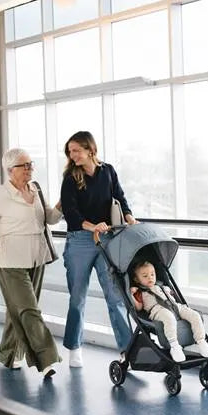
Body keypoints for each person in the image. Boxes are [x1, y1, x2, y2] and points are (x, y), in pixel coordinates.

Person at [0, 148, 62, 380]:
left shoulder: (36, 189)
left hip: (36, 257)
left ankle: (9, 353)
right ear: (10, 170)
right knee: (29, 310)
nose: (30, 168)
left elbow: (50, 218)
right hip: (10, 259)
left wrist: (63, 203)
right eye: (24, 165)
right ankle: (46, 359)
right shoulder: (0, 195)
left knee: (17, 308)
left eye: (31, 164)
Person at [60, 130, 136, 368]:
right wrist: (93, 226)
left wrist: (130, 217)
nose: (73, 155)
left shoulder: (108, 171)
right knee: (77, 298)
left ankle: (127, 350)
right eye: (70, 152)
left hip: (107, 240)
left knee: (116, 297)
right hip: (80, 241)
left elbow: (120, 197)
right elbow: (71, 213)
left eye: (76, 150)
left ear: (90, 149)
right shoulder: (70, 178)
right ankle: (74, 347)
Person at [130, 260, 208, 362]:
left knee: (195, 315)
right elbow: (138, 308)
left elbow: (172, 297)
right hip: (157, 310)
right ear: (137, 279)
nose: (150, 278)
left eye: (152, 274)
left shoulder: (162, 286)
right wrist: (132, 295)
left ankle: (201, 341)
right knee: (168, 317)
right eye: (145, 276)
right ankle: (174, 346)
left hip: (174, 306)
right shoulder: (139, 292)